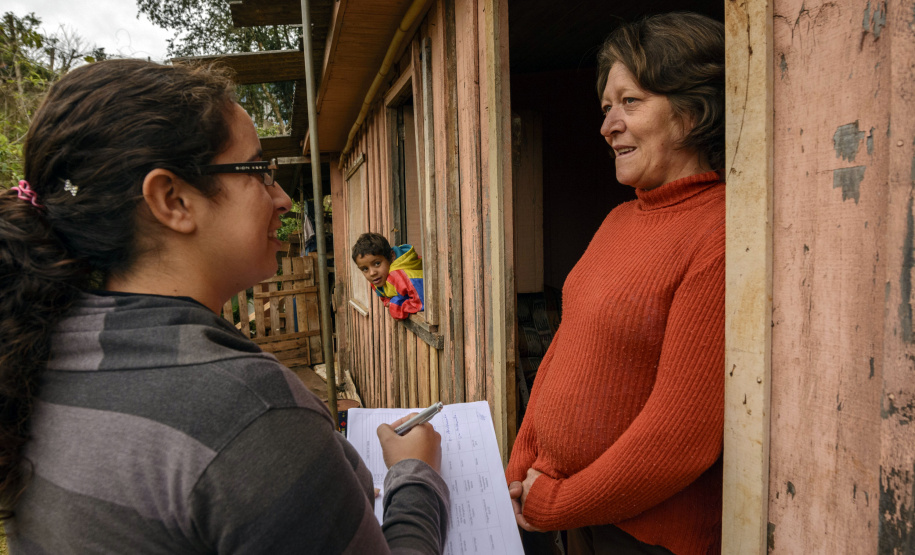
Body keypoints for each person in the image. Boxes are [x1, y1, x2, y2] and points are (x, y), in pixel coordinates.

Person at [0, 59, 449, 553]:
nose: (282, 199)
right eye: (260, 171)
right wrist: (417, 474)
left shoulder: (40, 356)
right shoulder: (248, 409)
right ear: (172, 200)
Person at [505, 12, 726, 555]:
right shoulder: (620, 220)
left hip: (650, 539)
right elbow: (563, 350)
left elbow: (682, 437)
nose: (608, 125)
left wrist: (560, 502)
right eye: (607, 107)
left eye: (630, 102)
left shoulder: (719, 232)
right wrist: (520, 467)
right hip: (578, 514)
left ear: (693, 110)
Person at [351, 232, 424, 320]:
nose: (372, 273)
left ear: (392, 256)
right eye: (365, 269)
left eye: (377, 263)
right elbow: (384, 295)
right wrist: (389, 302)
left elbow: (422, 302)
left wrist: (395, 307)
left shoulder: (399, 276)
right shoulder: (377, 280)